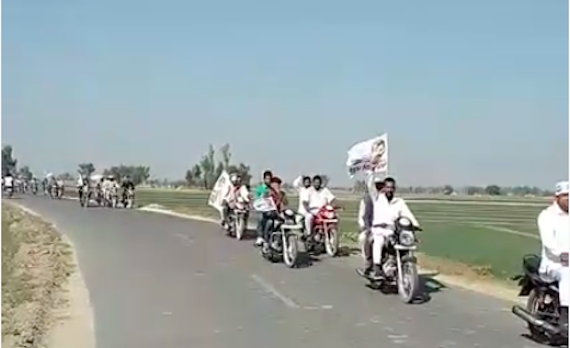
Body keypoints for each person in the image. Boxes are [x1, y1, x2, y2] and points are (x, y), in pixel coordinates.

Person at [363, 176, 420, 280]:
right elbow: (371, 186)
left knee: (403, 244)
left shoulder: (399, 202)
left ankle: (398, 267)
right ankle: (377, 268)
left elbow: (408, 214)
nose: (389, 189)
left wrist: (415, 225)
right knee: (378, 241)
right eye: (387, 187)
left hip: (392, 231)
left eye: (392, 187)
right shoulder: (377, 199)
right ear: (383, 188)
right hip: (378, 230)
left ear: (395, 189)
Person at [538, 181, 569, 332]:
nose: (568, 199)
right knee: (567, 272)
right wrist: (563, 255)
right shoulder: (547, 216)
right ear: (557, 197)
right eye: (565, 195)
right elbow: (549, 243)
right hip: (553, 263)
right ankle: (566, 317)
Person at [357, 176, 384, 277]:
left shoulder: (387, 198)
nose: (379, 187)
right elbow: (364, 216)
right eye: (377, 185)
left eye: (381, 185)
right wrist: (366, 227)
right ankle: (368, 263)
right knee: (364, 238)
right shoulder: (367, 199)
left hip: (386, 228)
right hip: (371, 227)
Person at [253, 170, 274, 246]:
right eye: (267, 179)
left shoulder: (272, 189)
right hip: (262, 210)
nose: (269, 181)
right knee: (261, 218)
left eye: (270, 179)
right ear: (264, 179)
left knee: (272, 221)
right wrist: (263, 195)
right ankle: (260, 236)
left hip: (271, 210)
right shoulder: (260, 188)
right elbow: (257, 200)